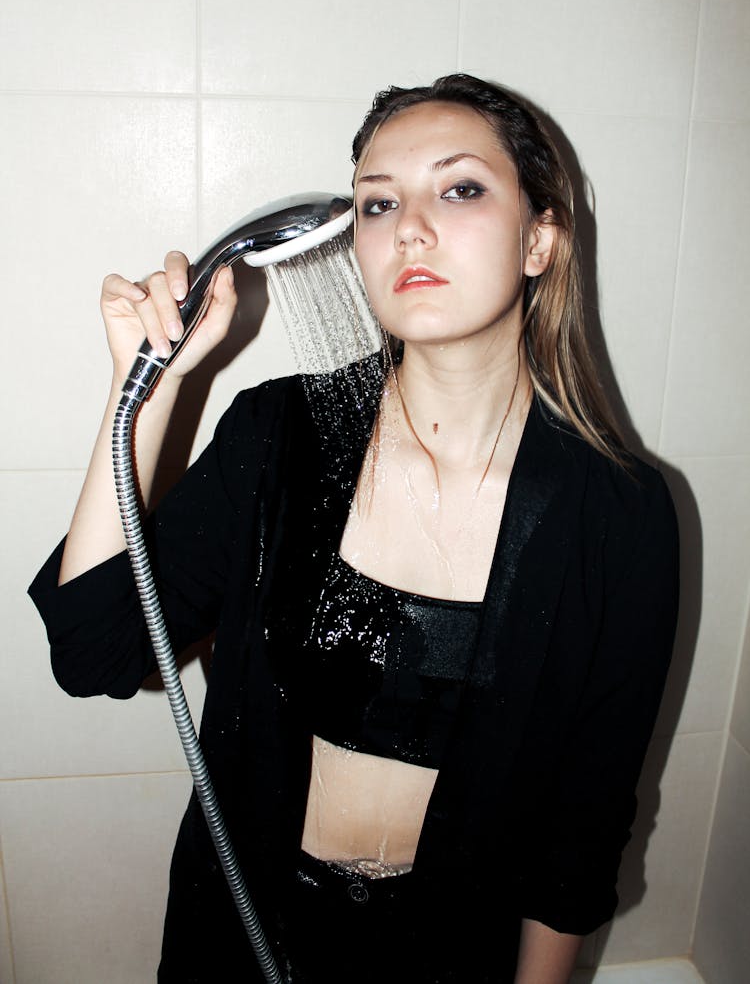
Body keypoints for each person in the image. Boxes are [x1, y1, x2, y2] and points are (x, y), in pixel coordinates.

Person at [30, 74, 679, 983]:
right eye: (378, 203)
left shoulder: (619, 515)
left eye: (459, 188)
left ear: (541, 240)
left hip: (454, 955)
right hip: (241, 937)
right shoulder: (276, 438)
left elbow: (581, 830)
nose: (409, 225)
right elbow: (91, 651)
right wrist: (145, 388)